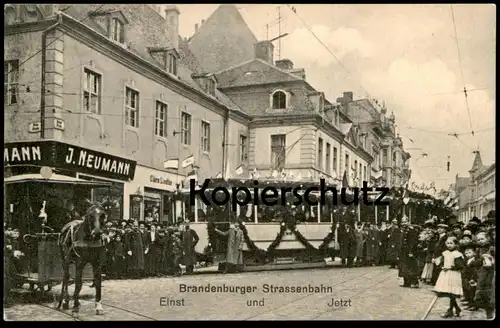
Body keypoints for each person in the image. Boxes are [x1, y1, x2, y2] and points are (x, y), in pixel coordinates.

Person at [433, 236, 465, 318]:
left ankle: (451, 310)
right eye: (447, 243)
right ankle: (455, 309)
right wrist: (438, 263)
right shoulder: (445, 253)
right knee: (449, 293)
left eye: (451, 243)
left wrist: (450, 267)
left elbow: (460, 266)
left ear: (455, 244)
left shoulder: (457, 254)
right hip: (445, 274)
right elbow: (442, 263)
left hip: (454, 275)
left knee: (452, 293)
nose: (449, 245)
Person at [474, 232, 495, 319]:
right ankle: (484, 307)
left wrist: (491, 258)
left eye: (482, 239)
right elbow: (476, 262)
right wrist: (480, 259)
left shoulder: (492, 249)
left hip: (490, 272)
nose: (480, 241)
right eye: (478, 240)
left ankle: (490, 311)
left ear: (488, 239)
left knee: (489, 291)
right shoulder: (478, 249)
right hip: (481, 273)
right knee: (481, 290)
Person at [398, 217, 420, 288]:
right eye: (402, 222)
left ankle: (414, 282)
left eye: (405, 222)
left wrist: (411, 251)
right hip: (403, 252)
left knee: (411, 267)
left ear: (408, 221)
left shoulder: (412, 230)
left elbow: (413, 242)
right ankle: (406, 282)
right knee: (404, 268)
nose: (404, 223)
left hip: (409, 252)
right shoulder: (403, 230)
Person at [460, 243, 481, 311]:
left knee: (473, 292)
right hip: (467, 278)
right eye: (466, 253)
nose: (468, 254)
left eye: (469, 253)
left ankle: (474, 306)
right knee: (468, 291)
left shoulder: (475, 261)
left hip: (473, 278)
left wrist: (473, 279)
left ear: (474, 253)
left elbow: (475, 271)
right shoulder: (466, 260)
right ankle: (470, 303)